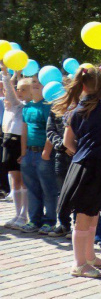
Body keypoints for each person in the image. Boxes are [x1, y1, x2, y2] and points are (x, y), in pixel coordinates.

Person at [55, 42, 101, 278]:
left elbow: (68, 143)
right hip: (92, 167)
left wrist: (82, 152)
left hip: (86, 165)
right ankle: (79, 264)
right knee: (85, 217)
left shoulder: (75, 110)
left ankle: (89, 257)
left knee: (93, 213)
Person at [19, 75, 55, 234]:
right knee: (32, 189)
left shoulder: (48, 106)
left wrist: (47, 152)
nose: (35, 85)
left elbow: (51, 130)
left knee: (48, 189)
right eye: (33, 82)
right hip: (29, 154)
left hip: (43, 154)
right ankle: (34, 220)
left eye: (39, 83)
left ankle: (50, 221)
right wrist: (22, 153)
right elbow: (24, 131)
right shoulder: (26, 107)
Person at [1, 65, 28, 230]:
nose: (16, 92)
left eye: (21, 90)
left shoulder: (21, 105)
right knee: (14, 180)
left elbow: (9, 91)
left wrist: (5, 74)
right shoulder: (9, 107)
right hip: (9, 141)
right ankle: (17, 214)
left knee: (22, 180)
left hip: (19, 142)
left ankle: (24, 215)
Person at [45, 107, 73, 237]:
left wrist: (74, 146)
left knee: (78, 191)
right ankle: (64, 225)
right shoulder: (57, 107)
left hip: (78, 154)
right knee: (61, 192)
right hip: (61, 156)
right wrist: (63, 145)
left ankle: (78, 226)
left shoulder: (84, 104)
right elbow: (50, 131)